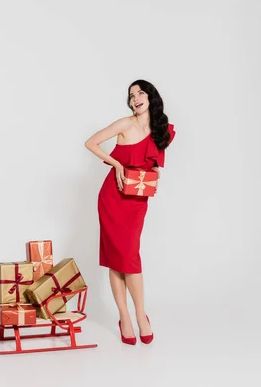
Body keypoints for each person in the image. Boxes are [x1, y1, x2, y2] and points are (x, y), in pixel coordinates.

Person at [84, 79, 175, 345]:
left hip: (137, 198)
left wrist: (152, 171)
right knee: (118, 257)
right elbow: (90, 143)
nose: (135, 98)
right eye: (131, 94)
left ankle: (140, 314)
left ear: (151, 97)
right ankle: (126, 316)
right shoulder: (125, 124)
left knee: (129, 255)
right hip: (113, 196)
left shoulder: (161, 129)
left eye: (140, 92)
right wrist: (117, 165)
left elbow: (153, 162)